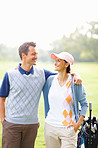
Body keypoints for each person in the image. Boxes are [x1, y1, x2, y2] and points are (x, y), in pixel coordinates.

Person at [0, 42, 82, 148]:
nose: (36, 57)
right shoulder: (10, 74)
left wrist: (76, 74)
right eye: (33, 54)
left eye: (36, 54)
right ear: (23, 55)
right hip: (12, 124)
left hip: (32, 125)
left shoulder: (42, 74)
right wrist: (3, 120)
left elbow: (62, 73)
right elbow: (2, 98)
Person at [43, 52, 88, 148]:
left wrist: (78, 124)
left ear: (67, 64)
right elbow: (33, 70)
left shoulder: (75, 82)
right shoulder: (50, 80)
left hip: (68, 129)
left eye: (59, 61)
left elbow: (84, 104)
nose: (55, 63)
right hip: (50, 127)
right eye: (55, 61)